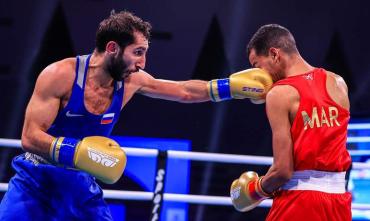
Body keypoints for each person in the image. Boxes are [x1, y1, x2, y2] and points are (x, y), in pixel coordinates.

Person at [0, 11, 272, 220]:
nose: (143, 63)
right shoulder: (61, 75)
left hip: (80, 184)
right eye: (138, 53)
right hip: (36, 180)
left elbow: (184, 91)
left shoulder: (131, 81)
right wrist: (77, 151)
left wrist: (230, 88)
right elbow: (29, 137)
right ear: (112, 48)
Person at [230, 24, 352, 221]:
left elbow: (282, 171)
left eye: (256, 66)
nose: (258, 77)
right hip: (339, 202)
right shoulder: (338, 82)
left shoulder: (280, 93)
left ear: (274, 54)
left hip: (299, 202)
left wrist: (255, 190)